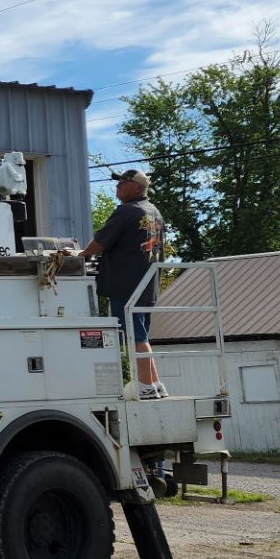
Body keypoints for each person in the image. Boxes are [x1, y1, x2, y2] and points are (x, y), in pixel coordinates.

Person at [81, 168, 167, 399]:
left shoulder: (127, 211)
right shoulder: (154, 212)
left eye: (124, 182)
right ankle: (155, 384)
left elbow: (98, 244)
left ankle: (146, 387)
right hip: (146, 285)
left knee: (134, 337)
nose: (118, 185)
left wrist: (79, 256)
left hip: (126, 285)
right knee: (141, 335)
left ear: (138, 187)